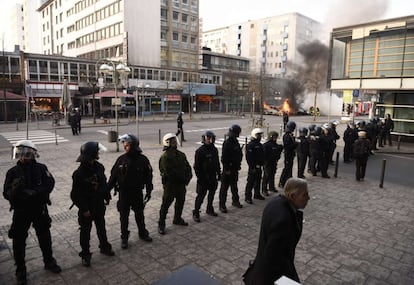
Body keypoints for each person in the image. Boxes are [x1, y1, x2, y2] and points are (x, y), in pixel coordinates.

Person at [3, 140, 62, 284]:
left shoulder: (41, 168)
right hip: (21, 210)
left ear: (33, 154)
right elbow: (5, 192)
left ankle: (48, 261)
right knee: (18, 240)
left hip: (38, 208)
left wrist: (35, 193)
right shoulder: (12, 172)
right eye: (20, 153)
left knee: (44, 236)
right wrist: (14, 192)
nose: (23, 157)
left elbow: (50, 183)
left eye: (26, 153)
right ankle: (21, 270)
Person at [243, 178, 310, 285]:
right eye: (304, 195)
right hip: (273, 275)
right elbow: (273, 257)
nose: (308, 198)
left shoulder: (275, 202)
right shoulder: (284, 221)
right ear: (292, 196)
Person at [71, 141, 115, 267]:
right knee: (85, 232)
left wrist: (106, 195)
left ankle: (104, 247)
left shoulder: (99, 167)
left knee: (101, 227)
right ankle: (85, 254)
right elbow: (75, 195)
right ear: (91, 154)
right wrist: (84, 209)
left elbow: (103, 182)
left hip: (98, 205)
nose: (98, 153)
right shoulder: (79, 174)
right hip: (87, 207)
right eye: (96, 151)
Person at [108, 134, 153, 249]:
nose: (124, 147)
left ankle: (143, 233)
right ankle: (124, 237)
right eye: (124, 145)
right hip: (124, 193)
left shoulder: (142, 160)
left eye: (127, 145)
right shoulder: (121, 160)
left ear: (133, 146)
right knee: (124, 216)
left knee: (139, 214)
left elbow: (148, 176)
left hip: (137, 192)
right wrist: (106, 191)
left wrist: (149, 190)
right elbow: (113, 177)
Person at [158, 133, 192, 234]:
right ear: (167, 143)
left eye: (174, 140)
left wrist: (187, 178)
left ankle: (177, 218)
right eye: (172, 141)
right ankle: (161, 224)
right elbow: (168, 172)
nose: (174, 143)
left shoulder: (181, 155)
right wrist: (181, 178)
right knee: (165, 205)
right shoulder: (165, 157)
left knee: (180, 202)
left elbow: (188, 167)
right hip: (170, 186)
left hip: (181, 185)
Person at [192, 131, 221, 223]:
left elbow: (217, 163)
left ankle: (209, 208)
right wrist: (200, 178)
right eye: (208, 138)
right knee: (200, 196)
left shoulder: (214, 150)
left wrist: (219, 173)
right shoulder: (200, 151)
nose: (209, 140)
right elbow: (196, 166)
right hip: (203, 177)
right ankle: (196, 212)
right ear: (204, 139)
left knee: (211, 194)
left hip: (212, 176)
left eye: (211, 138)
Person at [218, 124, 243, 213]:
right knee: (224, 189)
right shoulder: (227, 143)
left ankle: (235, 201)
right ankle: (222, 205)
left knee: (234, 187)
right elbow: (224, 158)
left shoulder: (236, 142)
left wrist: (238, 163)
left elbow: (239, 154)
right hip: (228, 170)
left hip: (234, 169)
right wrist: (227, 169)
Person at [245, 128, 265, 204]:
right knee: (250, 182)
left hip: (259, 166)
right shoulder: (251, 145)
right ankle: (248, 197)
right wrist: (252, 166)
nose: (260, 136)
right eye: (258, 135)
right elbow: (249, 157)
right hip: (253, 167)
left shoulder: (259, 145)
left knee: (258, 181)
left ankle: (257, 194)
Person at [262, 131, 283, 196]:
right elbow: (264, 155)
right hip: (268, 163)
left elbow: (277, 152)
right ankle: (264, 189)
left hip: (274, 162)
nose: (275, 138)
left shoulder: (275, 144)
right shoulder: (266, 145)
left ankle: (271, 187)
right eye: (274, 137)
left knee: (272, 174)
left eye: (276, 137)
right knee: (266, 176)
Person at [279, 121, 297, 188]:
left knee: (289, 168)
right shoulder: (286, 136)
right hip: (288, 154)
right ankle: (282, 182)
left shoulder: (290, 135)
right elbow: (287, 146)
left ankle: (288, 180)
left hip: (291, 154)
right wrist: (295, 144)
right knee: (286, 168)